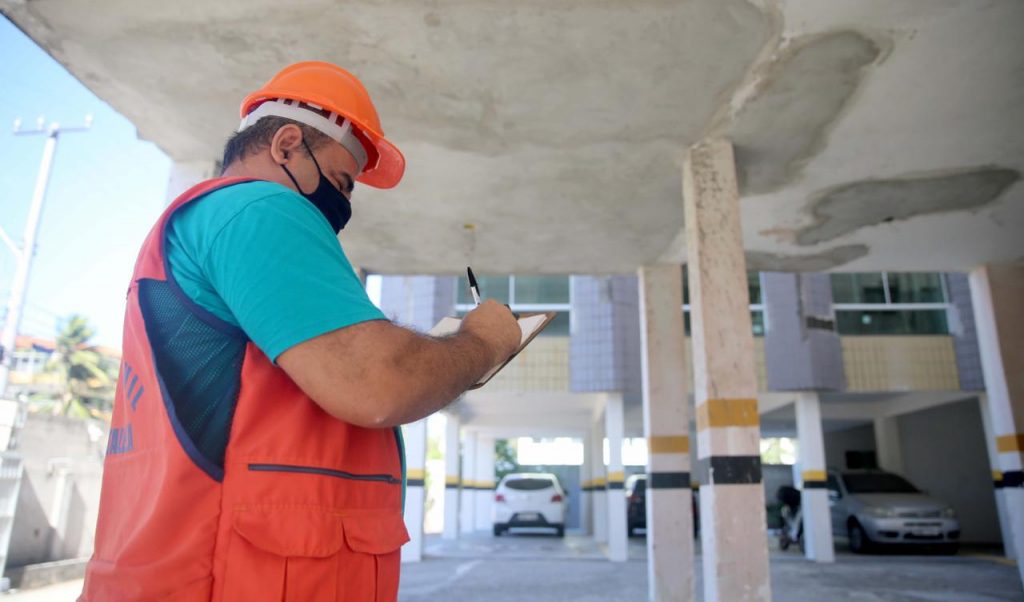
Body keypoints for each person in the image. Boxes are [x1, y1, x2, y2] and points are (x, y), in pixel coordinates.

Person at [79, 61, 521, 601]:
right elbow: (376, 383)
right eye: (340, 181)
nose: (344, 205)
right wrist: (483, 341)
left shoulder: (202, 227)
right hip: (228, 581)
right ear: (287, 145)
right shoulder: (259, 208)